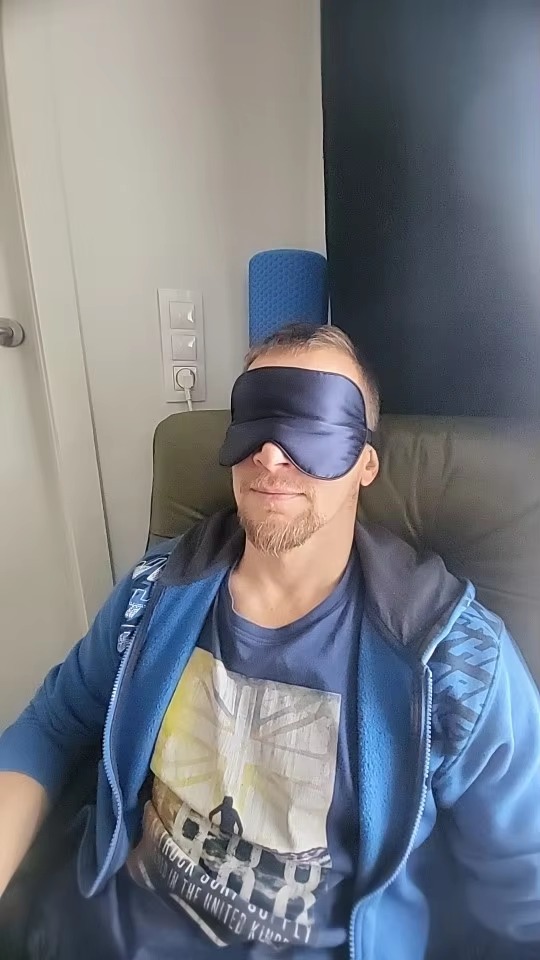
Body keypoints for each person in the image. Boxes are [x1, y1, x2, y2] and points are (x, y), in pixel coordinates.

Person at [0, 322, 539, 960]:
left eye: (314, 427)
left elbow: (523, 893)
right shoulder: (155, 592)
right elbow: (54, 724)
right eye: (255, 422)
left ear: (366, 464)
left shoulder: (455, 660)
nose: (272, 456)